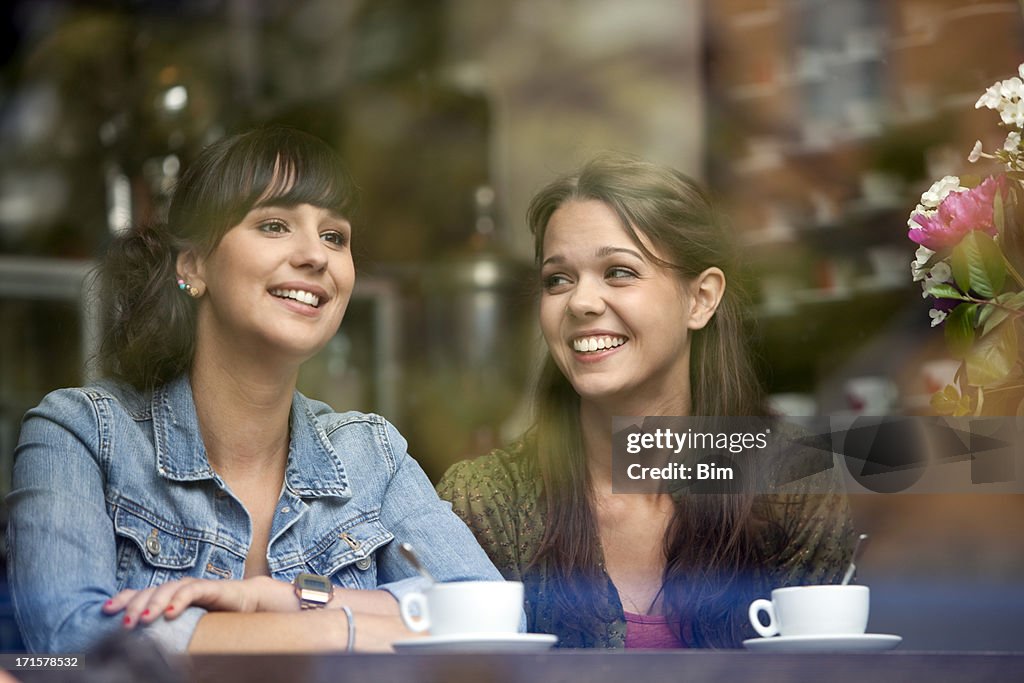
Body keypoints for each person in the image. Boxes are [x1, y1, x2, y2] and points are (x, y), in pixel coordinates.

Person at [7, 126, 505, 654]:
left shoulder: (370, 454)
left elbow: (487, 618)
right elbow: (71, 644)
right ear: (193, 266)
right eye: (274, 225)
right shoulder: (83, 434)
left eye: (335, 236)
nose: (316, 255)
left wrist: (289, 598)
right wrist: (340, 630)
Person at [437, 153, 855, 648]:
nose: (581, 302)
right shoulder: (484, 501)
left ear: (700, 299)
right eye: (558, 279)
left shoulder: (791, 483)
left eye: (618, 272)